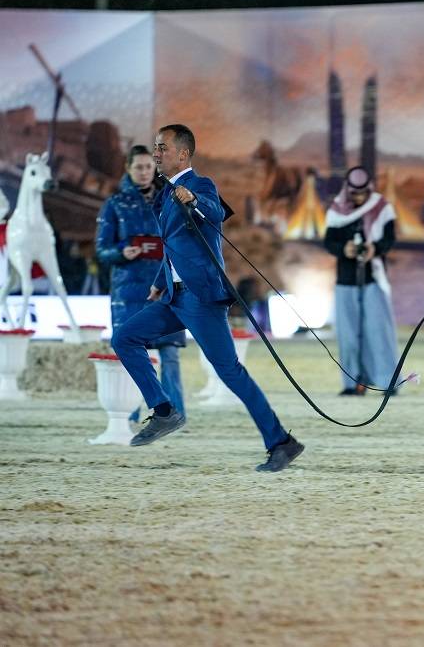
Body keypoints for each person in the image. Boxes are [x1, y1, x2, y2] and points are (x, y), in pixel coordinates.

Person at [111, 124, 304, 472]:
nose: (156, 153)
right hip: (173, 296)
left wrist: (195, 200)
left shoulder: (200, 185)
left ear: (183, 154)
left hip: (200, 299)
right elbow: (173, 246)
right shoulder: (165, 193)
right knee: (124, 337)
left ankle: (281, 443)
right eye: (155, 147)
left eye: (162, 147)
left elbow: (214, 212)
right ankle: (165, 411)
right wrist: (159, 282)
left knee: (230, 372)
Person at [96, 145, 186, 425]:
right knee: (136, 355)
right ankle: (134, 415)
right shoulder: (114, 205)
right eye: (139, 167)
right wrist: (122, 252)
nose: (145, 172)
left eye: (149, 166)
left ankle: (176, 415)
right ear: (128, 168)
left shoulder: (171, 198)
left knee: (170, 355)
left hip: (167, 288)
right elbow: (102, 250)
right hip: (130, 290)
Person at [323, 166, 400, 396]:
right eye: (354, 193)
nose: (358, 198)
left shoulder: (382, 207)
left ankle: (387, 381)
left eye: (362, 193)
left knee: (378, 331)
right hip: (346, 280)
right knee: (347, 334)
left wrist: (373, 249)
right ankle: (353, 382)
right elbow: (329, 242)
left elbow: (389, 239)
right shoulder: (336, 210)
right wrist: (343, 249)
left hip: (373, 278)